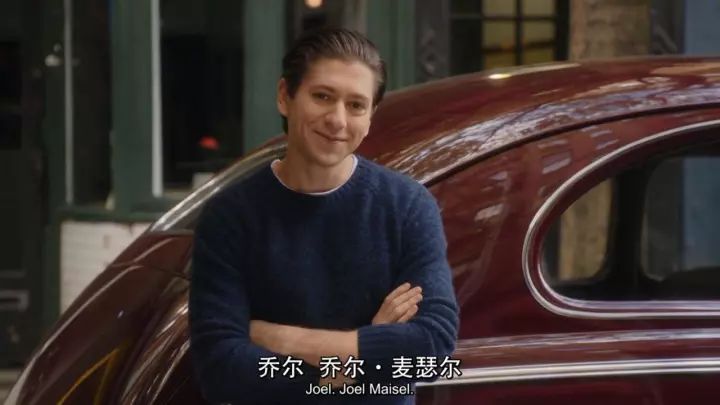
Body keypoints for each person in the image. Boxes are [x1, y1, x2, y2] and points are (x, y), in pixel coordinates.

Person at [189, 28, 459, 405]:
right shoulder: (231, 216)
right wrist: (368, 353)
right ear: (285, 96)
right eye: (322, 97)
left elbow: (432, 347)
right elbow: (222, 371)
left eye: (356, 105)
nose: (337, 119)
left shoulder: (407, 206)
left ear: (371, 116)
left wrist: (280, 339)